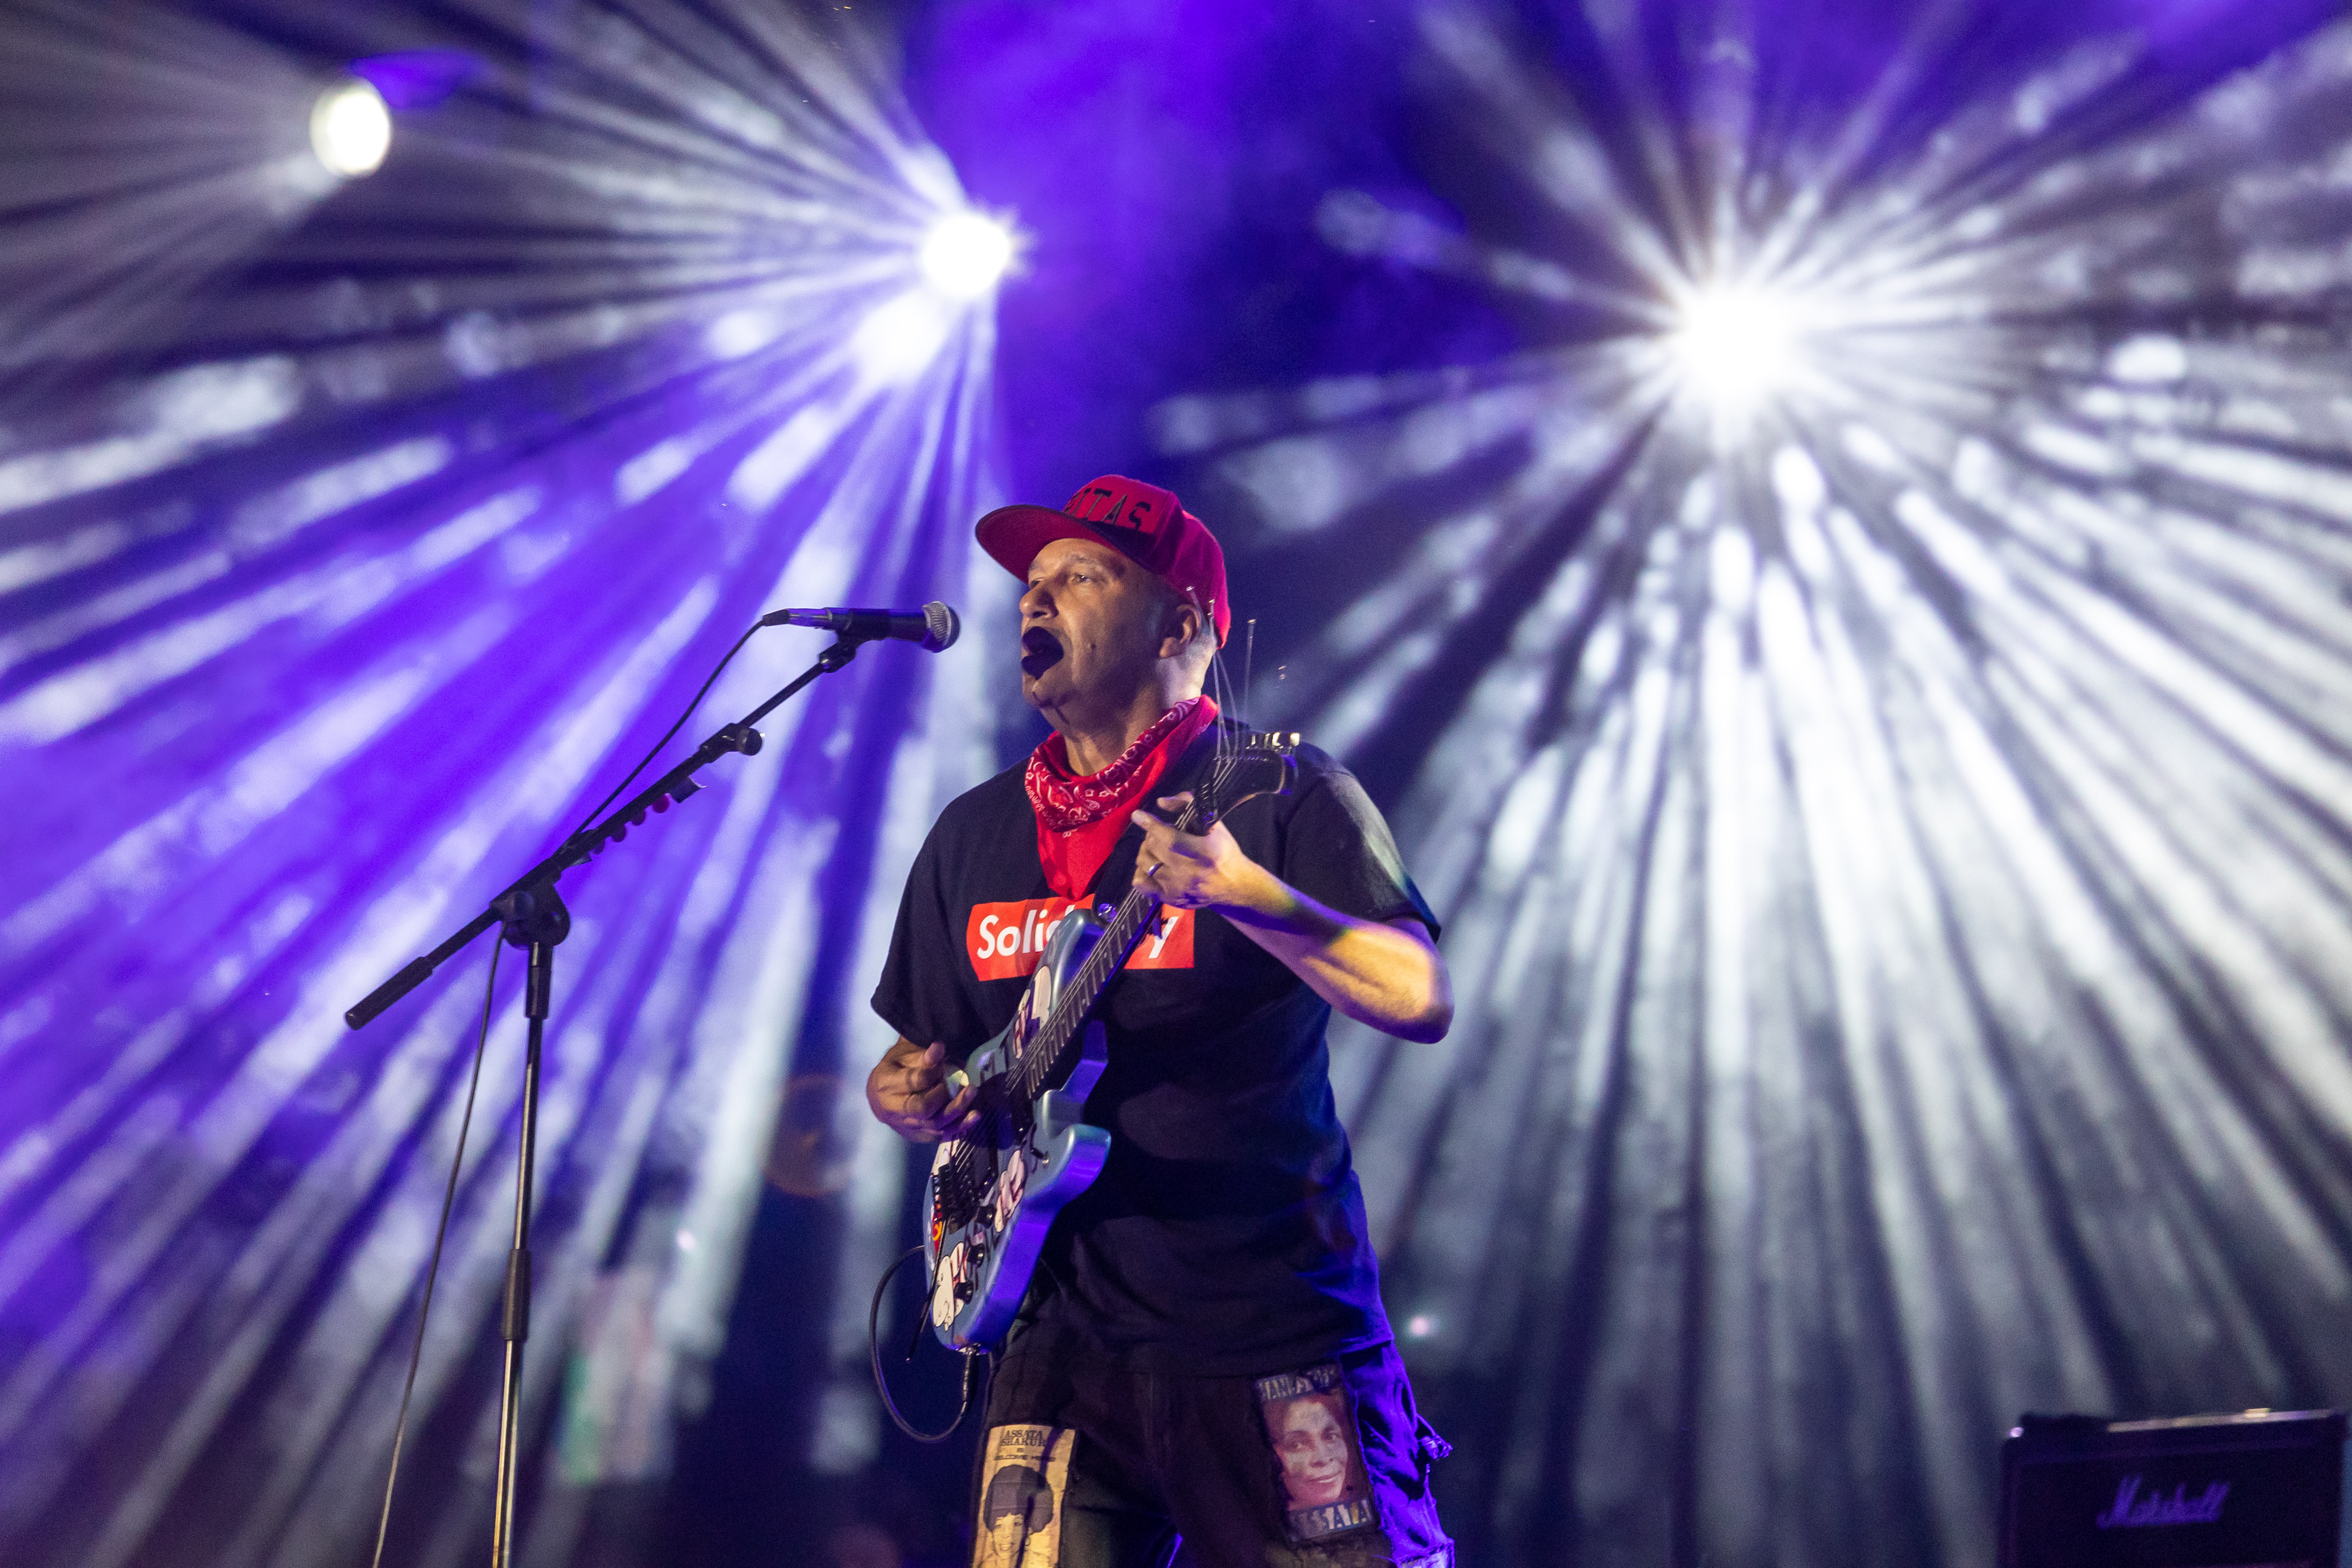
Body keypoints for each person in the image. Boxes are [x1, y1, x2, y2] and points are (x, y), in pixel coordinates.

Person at [867, 474, 1455, 1568]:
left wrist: (1252, 896)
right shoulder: (973, 833)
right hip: (1058, 1339)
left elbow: (1420, 996)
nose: (1037, 604)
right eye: (1032, 587)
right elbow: (919, 1055)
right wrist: (903, 1092)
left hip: (1269, 1321)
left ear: (1180, 623)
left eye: (1080, 579)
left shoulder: (1274, 791)